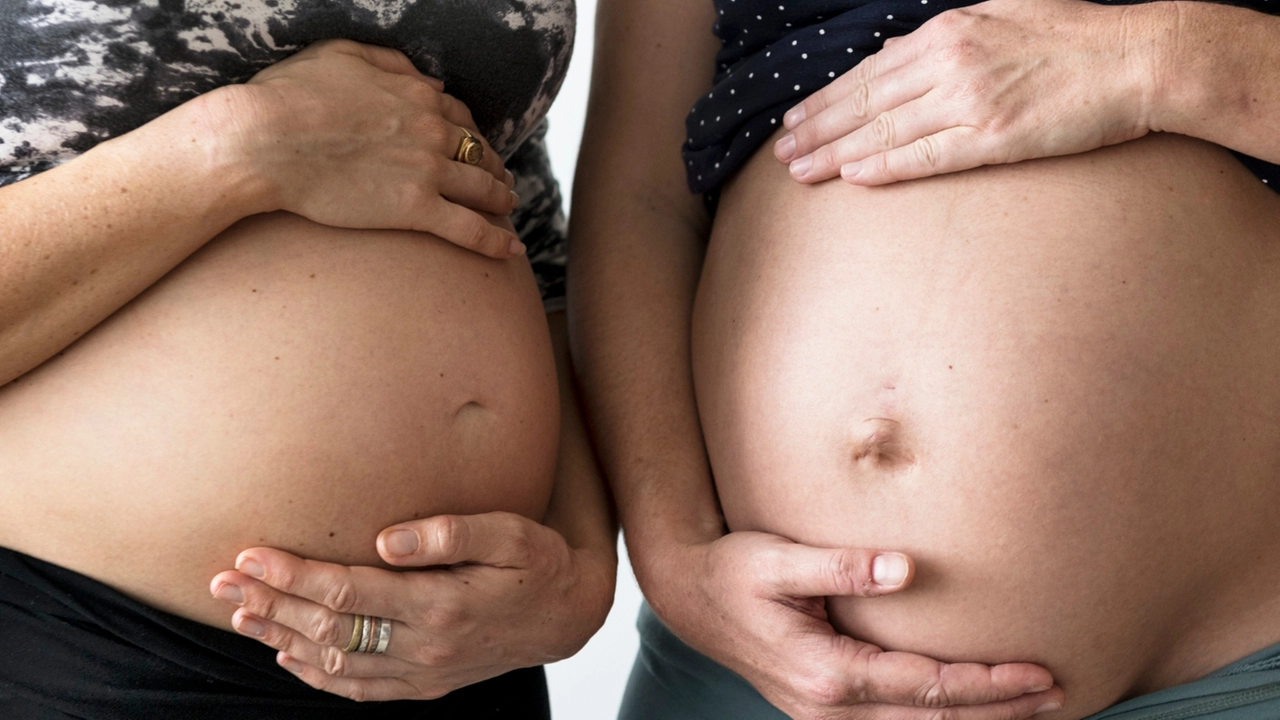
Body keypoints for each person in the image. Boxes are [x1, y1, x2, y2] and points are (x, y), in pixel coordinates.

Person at [568, 0, 1280, 718]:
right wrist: (677, 564)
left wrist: (1162, 59)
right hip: (759, 663)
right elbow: (642, 198)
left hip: (1230, 662)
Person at [0, 2, 615, 718]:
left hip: (474, 644)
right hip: (99, 643)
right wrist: (238, 143)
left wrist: (580, 568)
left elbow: (520, 221)